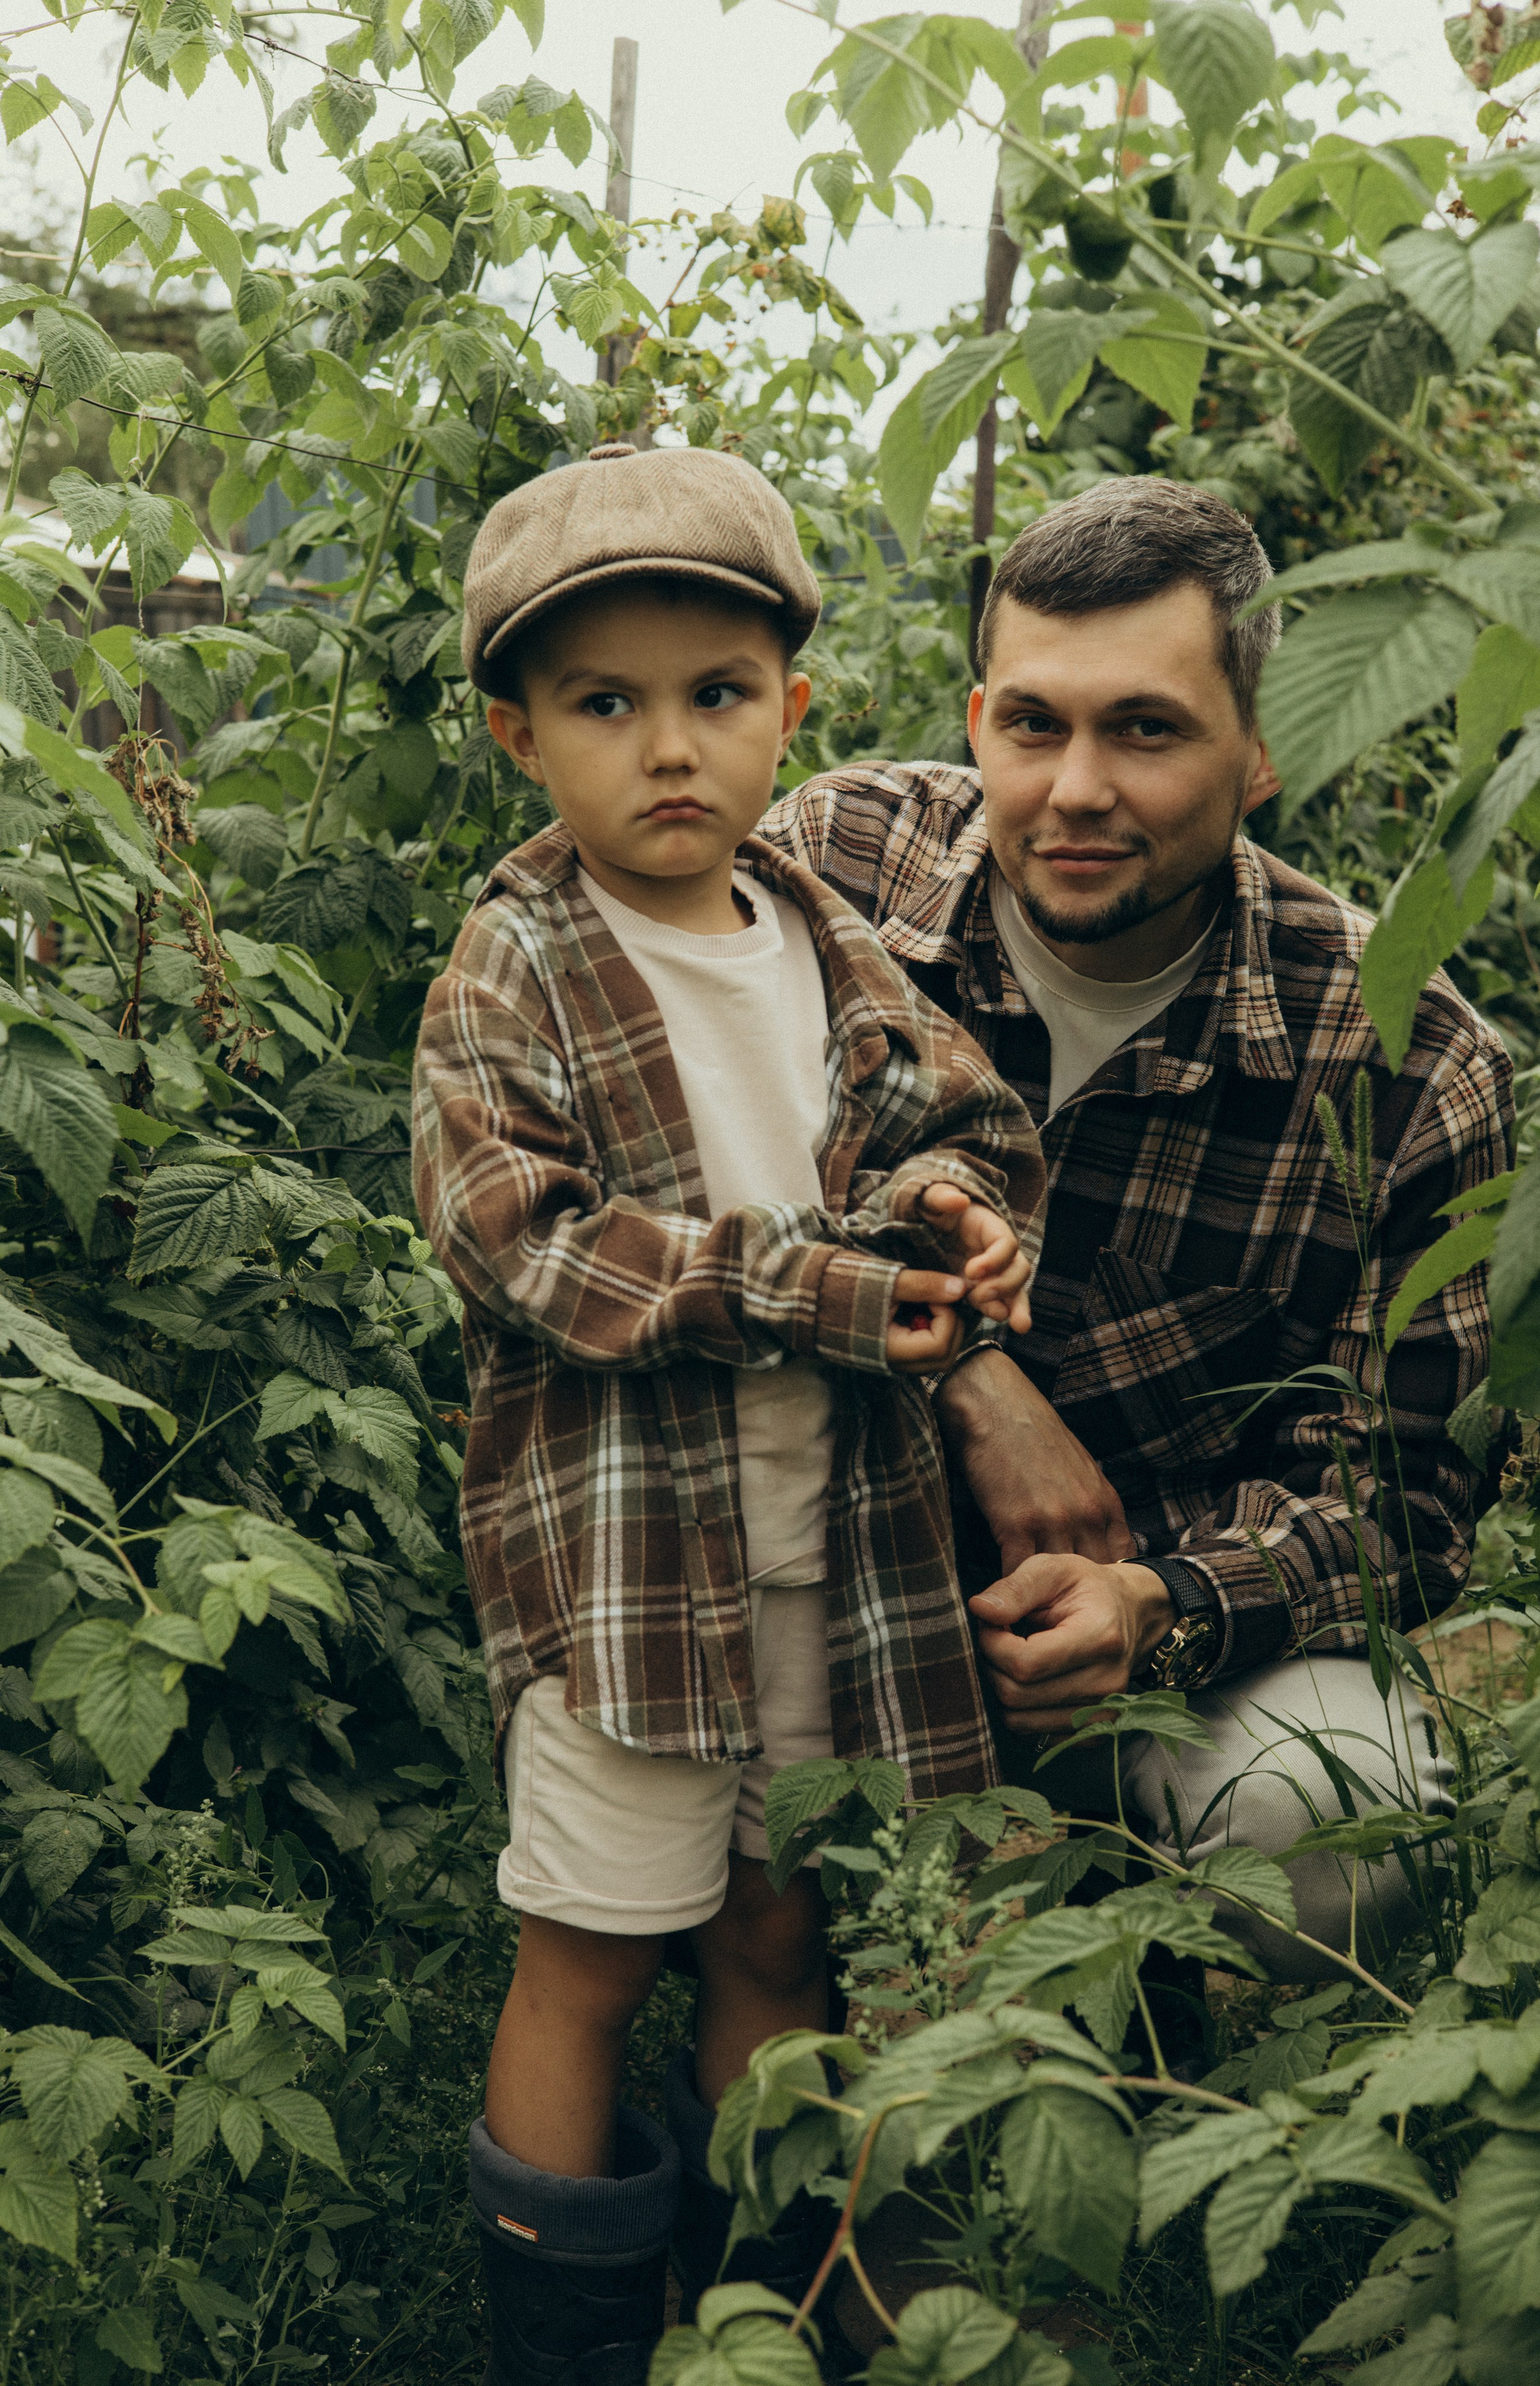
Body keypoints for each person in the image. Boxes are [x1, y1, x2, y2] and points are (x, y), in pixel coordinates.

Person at [411, 441, 1046, 2386]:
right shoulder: (516, 961)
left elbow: (946, 1109)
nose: (668, 750)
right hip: (631, 1576)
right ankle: (570, 2330)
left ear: (794, 710)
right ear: (522, 737)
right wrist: (808, 1281)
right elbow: (522, 1238)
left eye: (716, 697)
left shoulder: (824, 937)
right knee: (591, 1954)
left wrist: (964, 1210)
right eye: (607, 705)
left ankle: (760, 2296)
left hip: (835, 1552)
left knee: (779, 1932)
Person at [764, 475, 1511, 1990]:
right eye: (1033, 725)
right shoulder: (827, 871)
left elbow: (1406, 1494)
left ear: (1259, 755)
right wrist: (973, 1374)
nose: (1075, 788)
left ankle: (1149, 1988)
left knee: (1337, 1815)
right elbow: (675, 1154)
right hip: (817, 1560)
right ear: (975, 718)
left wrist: (1154, 1608)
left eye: (1146, 730)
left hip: (1151, 1642)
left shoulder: (1400, 1059)